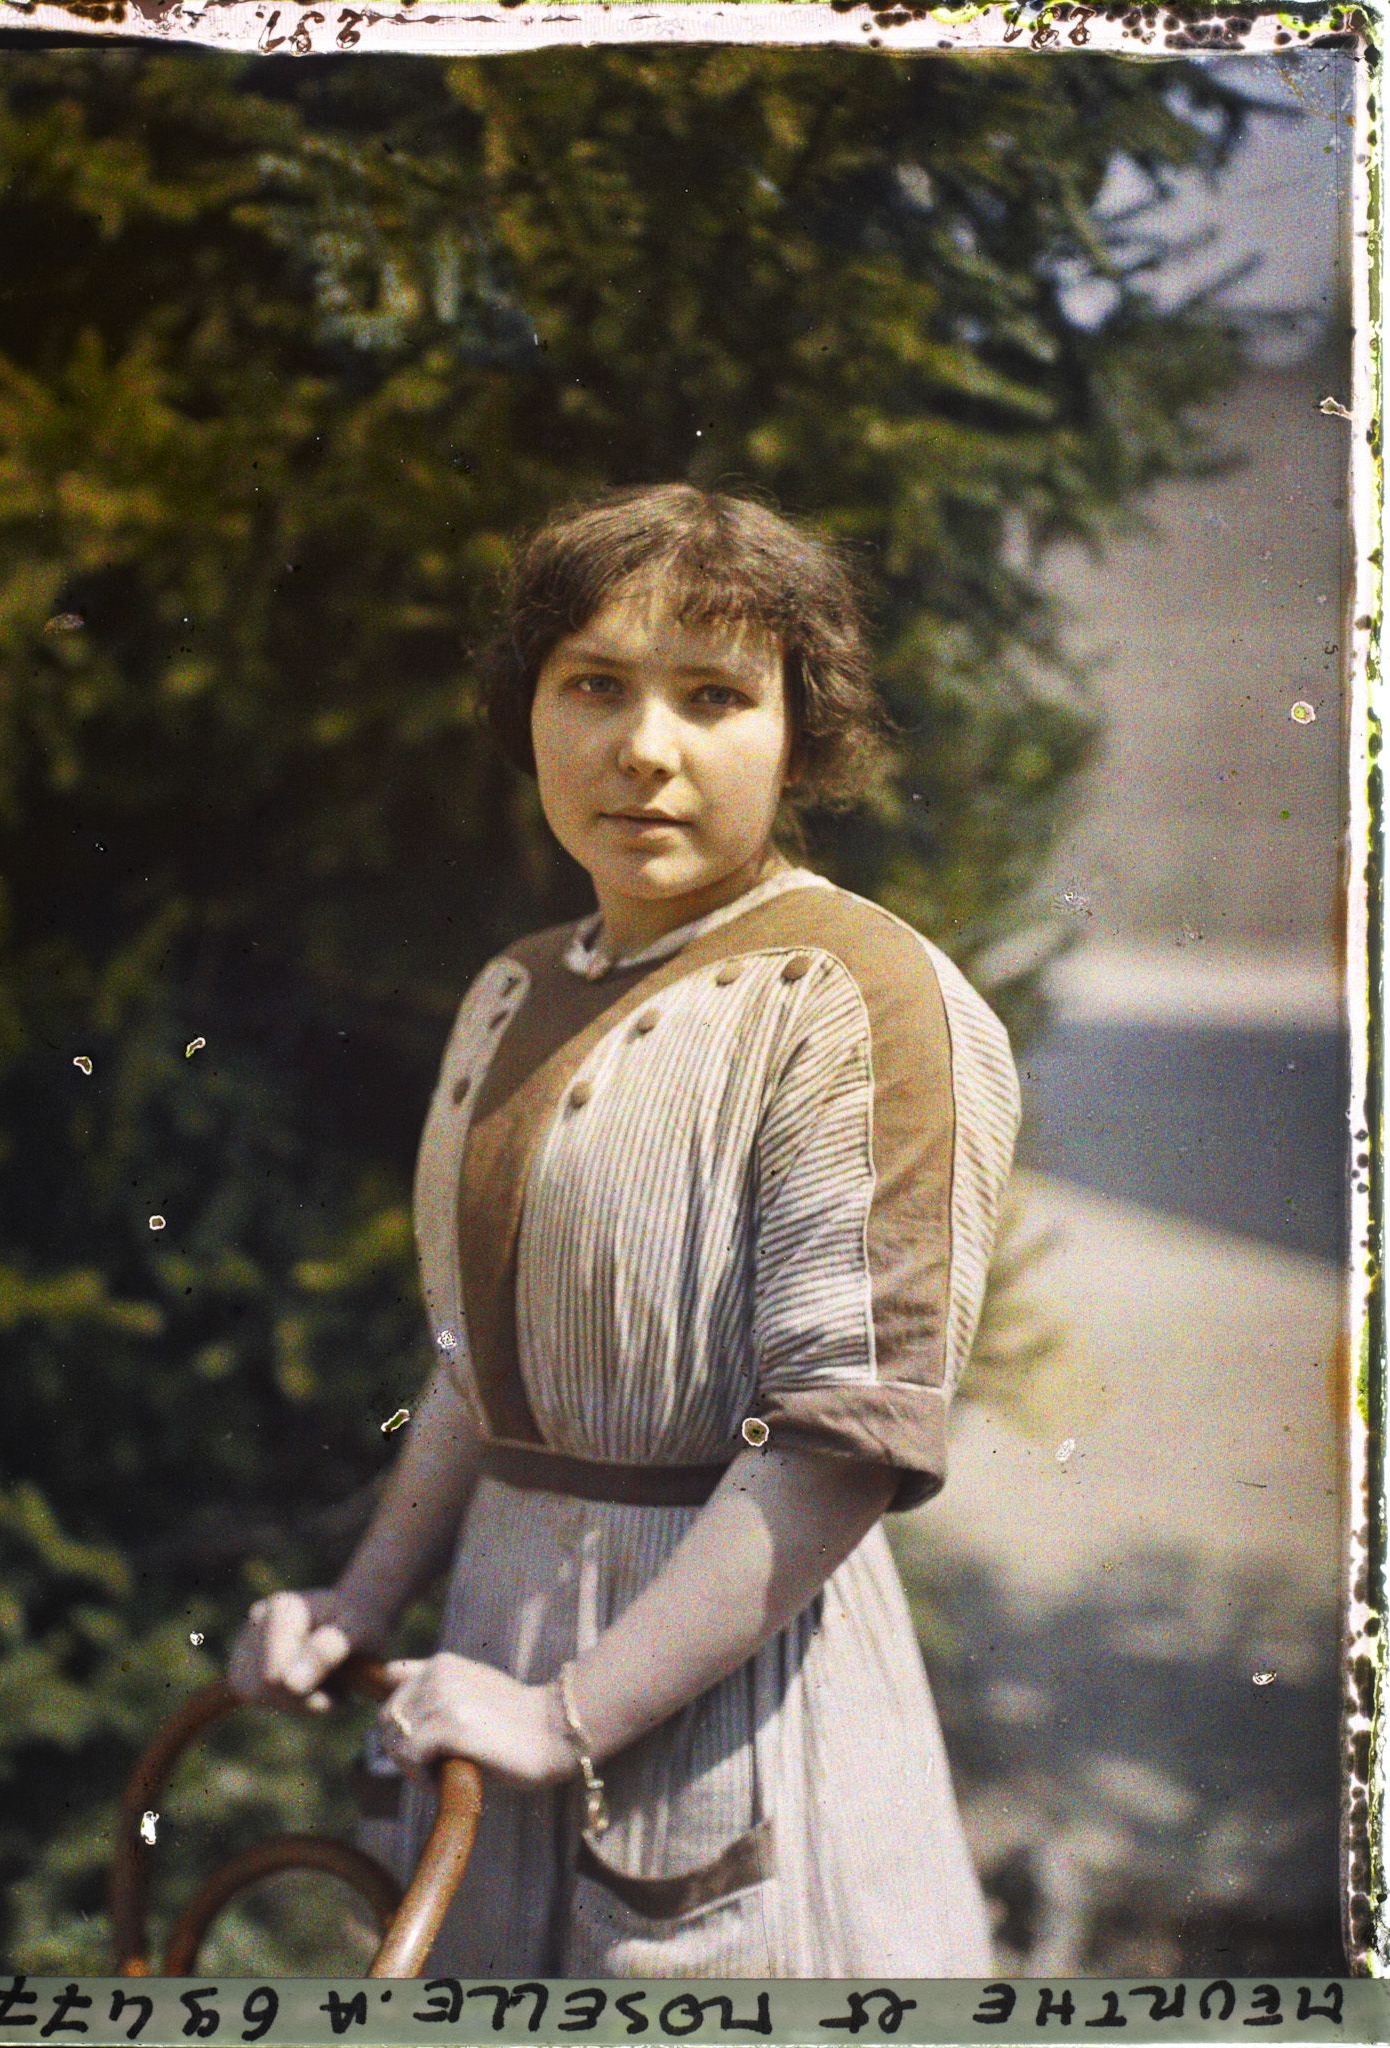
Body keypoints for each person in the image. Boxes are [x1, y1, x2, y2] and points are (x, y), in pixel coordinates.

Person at [229, 484, 1020, 1976]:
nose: (642, 749)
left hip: (732, 1707)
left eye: (714, 696)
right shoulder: (517, 988)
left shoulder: (861, 998)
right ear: (529, 712)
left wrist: (568, 1714)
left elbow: (846, 1442)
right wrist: (359, 1603)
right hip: (492, 1664)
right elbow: (477, 1373)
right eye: (594, 685)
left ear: (801, 734)